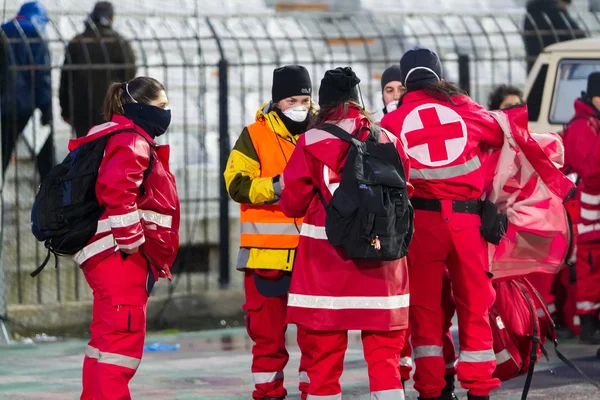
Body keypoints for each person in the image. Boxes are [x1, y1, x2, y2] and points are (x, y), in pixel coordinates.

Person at [279, 66, 411, 399]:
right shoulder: (388, 138)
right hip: (383, 259)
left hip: (327, 263)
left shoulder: (311, 140)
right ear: (357, 100)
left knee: (322, 363)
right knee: (386, 362)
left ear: (323, 104)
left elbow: (292, 203)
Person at [382, 46, 504, 400]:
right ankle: (479, 388)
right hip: (467, 223)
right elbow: (499, 137)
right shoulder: (464, 109)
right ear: (438, 75)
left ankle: (431, 390)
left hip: (421, 225)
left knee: (425, 311)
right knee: (475, 306)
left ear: (405, 81)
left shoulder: (394, 120)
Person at [72, 76, 180, 399]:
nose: (166, 113)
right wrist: (133, 244)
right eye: (160, 106)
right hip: (121, 258)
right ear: (140, 107)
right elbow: (117, 191)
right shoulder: (133, 141)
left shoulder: (122, 136)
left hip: (107, 256)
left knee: (104, 345)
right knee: (120, 350)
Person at [224, 65, 314, 400]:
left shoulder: (320, 130)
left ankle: (314, 392)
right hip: (267, 256)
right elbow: (236, 183)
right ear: (277, 101)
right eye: (291, 99)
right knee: (267, 339)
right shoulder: (255, 135)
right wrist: (278, 186)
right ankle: (268, 392)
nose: (299, 106)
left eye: (304, 99)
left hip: (312, 255)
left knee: (316, 337)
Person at [379, 64, 459, 399]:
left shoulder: (430, 123)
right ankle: (400, 376)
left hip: (427, 232)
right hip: (399, 238)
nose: (396, 96)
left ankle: (445, 375)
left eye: (400, 89)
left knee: (437, 312)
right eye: (389, 90)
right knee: (401, 318)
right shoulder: (379, 130)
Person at [59, 1, 136, 138]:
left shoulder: (78, 42)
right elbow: (130, 79)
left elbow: (65, 79)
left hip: (82, 110)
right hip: (112, 109)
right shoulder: (121, 43)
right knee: (110, 151)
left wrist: (66, 111)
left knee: (86, 151)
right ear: (111, 19)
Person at [562, 72, 600, 345]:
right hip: (590, 217)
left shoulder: (591, 123)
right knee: (589, 270)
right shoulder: (582, 126)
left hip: (592, 215)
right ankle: (588, 326)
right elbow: (591, 170)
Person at [1, 1, 54, 180]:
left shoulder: (4, 30)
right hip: (31, 106)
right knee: (46, 159)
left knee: (3, 154)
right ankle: (52, 199)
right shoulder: (35, 33)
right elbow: (42, 75)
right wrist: (46, 107)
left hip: (4, 108)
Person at [523, 0, 586, 73]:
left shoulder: (531, 14)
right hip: (555, 65)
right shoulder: (555, 12)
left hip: (535, 65)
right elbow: (579, 36)